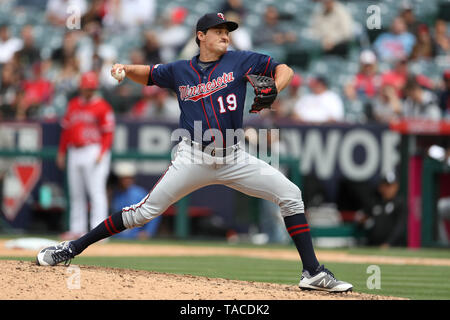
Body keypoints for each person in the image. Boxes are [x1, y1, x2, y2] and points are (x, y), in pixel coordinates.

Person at [37, 12, 352, 293]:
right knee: (142, 213)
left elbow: (284, 69)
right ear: (201, 36)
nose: (225, 35)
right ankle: (71, 248)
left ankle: (312, 271)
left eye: (227, 31)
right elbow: (147, 73)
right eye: (218, 31)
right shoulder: (179, 70)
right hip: (193, 157)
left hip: (233, 157)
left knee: (291, 194)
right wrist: (124, 68)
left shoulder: (240, 60)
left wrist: (276, 88)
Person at [56, 71, 115, 240]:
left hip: (93, 150)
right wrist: (61, 152)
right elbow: (66, 131)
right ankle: (77, 230)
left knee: (96, 192)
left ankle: (99, 232)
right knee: (76, 193)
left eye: (91, 88)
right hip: (74, 151)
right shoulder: (73, 104)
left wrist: (102, 152)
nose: (88, 91)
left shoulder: (103, 106)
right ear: (81, 88)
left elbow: (108, 133)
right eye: (86, 88)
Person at [354, 172, 407, 248]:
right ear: (380, 187)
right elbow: (361, 220)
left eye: (390, 186)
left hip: (394, 246)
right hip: (372, 245)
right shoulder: (374, 202)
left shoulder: (400, 203)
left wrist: (389, 243)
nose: (388, 189)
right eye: (385, 186)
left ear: (396, 187)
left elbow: (400, 227)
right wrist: (362, 221)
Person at [110, 161, 161, 240]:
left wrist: (148, 231)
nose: (126, 180)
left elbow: (154, 214)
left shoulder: (140, 193)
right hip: (116, 237)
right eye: (123, 178)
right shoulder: (114, 194)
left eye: (129, 177)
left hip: (135, 237)